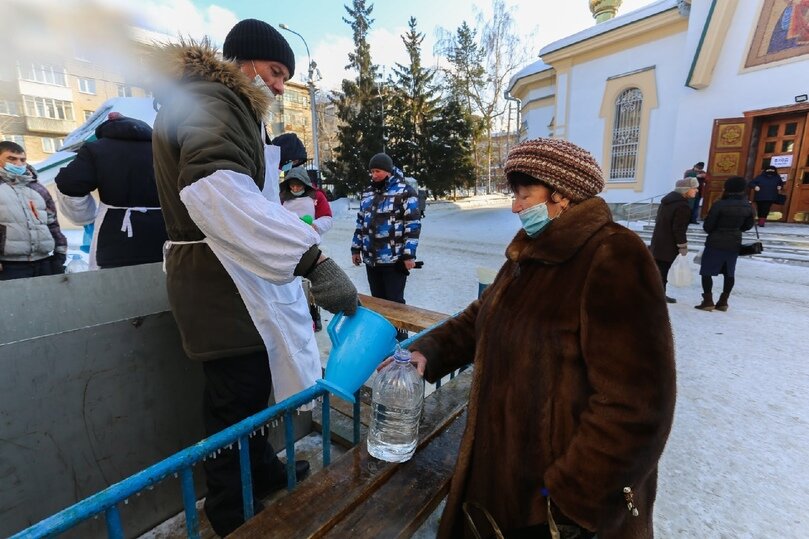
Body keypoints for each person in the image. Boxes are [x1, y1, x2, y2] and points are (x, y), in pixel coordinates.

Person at [394, 138, 676, 539]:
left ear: (562, 193)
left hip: (557, 506)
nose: (515, 206)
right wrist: (428, 350)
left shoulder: (613, 256)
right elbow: (484, 317)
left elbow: (638, 405)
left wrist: (569, 499)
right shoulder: (533, 251)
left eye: (525, 194)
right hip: (508, 482)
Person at [150, 19, 358, 536]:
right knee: (233, 398)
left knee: (252, 385)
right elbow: (216, 194)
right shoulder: (214, 101)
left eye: (286, 75)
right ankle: (230, 509)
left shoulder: (223, 103)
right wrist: (309, 260)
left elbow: (250, 200)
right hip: (218, 280)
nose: (281, 84)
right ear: (242, 62)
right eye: (275, 70)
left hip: (235, 274)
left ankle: (260, 469)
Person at [54, 112, 168, 269]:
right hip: (166, 231)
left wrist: (85, 217)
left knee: (116, 286)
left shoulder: (96, 149)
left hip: (116, 232)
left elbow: (69, 184)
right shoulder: (165, 150)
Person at [351, 152, 421, 341]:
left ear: (388, 171)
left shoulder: (405, 192)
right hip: (372, 259)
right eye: (372, 171)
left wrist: (408, 255)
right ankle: (382, 341)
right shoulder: (367, 192)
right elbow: (361, 223)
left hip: (394, 260)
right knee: (378, 303)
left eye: (378, 171)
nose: (374, 175)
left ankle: (400, 342)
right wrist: (356, 249)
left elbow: (412, 225)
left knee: (395, 304)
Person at [0, 141, 68, 280]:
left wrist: (60, 253)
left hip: (44, 262)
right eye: (11, 159)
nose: (18, 164)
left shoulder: (37, 189)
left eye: (22, 159)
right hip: (9, 266)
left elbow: (52, 222)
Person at [280, 165, 333, 331]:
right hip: (287, 245)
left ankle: (314, 314)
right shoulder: (282, 198)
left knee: (310, 282)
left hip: (309, 245)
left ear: (305, 184)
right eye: (292, 185)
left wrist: (314, 226)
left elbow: (327, 218)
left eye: (299, 185)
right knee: (291, 283)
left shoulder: (317, 196)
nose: (295, 188)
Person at [695, 176, 755, 312]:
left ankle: (708, 300)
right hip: (734, 242)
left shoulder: (719, 204)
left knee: (707, 271)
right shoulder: (748, 206)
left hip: (715, 242)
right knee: (729, 273)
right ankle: (723, 301)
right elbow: (747, 226)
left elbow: (708, 226)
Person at [650, 177, 698, 303]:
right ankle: (659, 296)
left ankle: (656, 294)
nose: (696, 191)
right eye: (694, 188)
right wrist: (683, 246)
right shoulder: (682, 206)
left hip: (658, 242)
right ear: (686, 190)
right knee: (662, 271)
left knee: (658, 270)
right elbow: (679, 229)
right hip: (668, 245)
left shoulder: (667, 202)